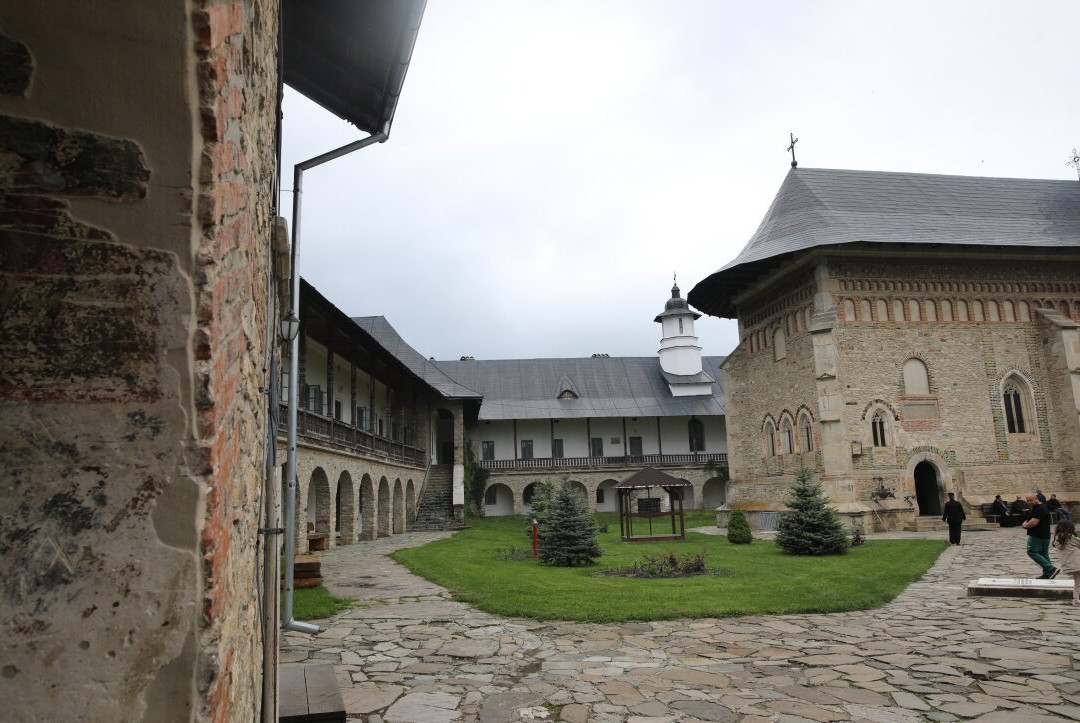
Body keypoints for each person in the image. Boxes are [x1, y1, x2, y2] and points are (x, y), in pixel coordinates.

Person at [1021, 492, 1058, 579]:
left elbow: (1033, 523)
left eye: (1031, 500)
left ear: (1036, 499)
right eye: (1027, 501)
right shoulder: (1038, 508)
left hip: (1037, 535)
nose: (1029, 502)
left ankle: (1050, 569)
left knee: (1032, 551)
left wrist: (1025, 525)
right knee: (1043, 554)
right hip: (1044, 535)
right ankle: (1047, 574)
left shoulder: (1039, 509)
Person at [1052, 519, 1080, 605]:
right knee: (1078, 582)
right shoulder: (1070, 538)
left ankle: (1075, 599)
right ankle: (1075, 599)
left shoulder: (1057, 538)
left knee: (1077, 581)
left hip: (1069, 565)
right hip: (1077, 563)